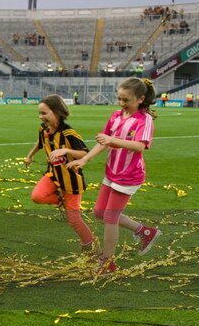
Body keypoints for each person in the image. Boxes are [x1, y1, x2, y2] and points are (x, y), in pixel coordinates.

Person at [67, 78, 161, 274]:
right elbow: (103, 142)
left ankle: (107, 263)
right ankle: (145, 231)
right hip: (112, 171)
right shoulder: (116, 116)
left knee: (110, 216)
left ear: (140, 99)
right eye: (119, 98)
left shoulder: (144, 120)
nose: (121, 103)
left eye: (126, 99)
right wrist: (85, 160)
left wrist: (113, 139)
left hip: (129, 175)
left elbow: (140, 146)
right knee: (100, 213)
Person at [23, 95, 95, 254]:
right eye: (39, 114)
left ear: (57, 112)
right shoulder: (43, 128)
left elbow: (84, 154)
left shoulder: (69, 133)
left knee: (74, 220)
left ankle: (89, 245)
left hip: (71, 181)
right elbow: (40, 143)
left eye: (44, 113)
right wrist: (30, 155)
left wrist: (67, 150)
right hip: (53, 175)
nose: (41, 117)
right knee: (37, 196)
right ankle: (59, 199)